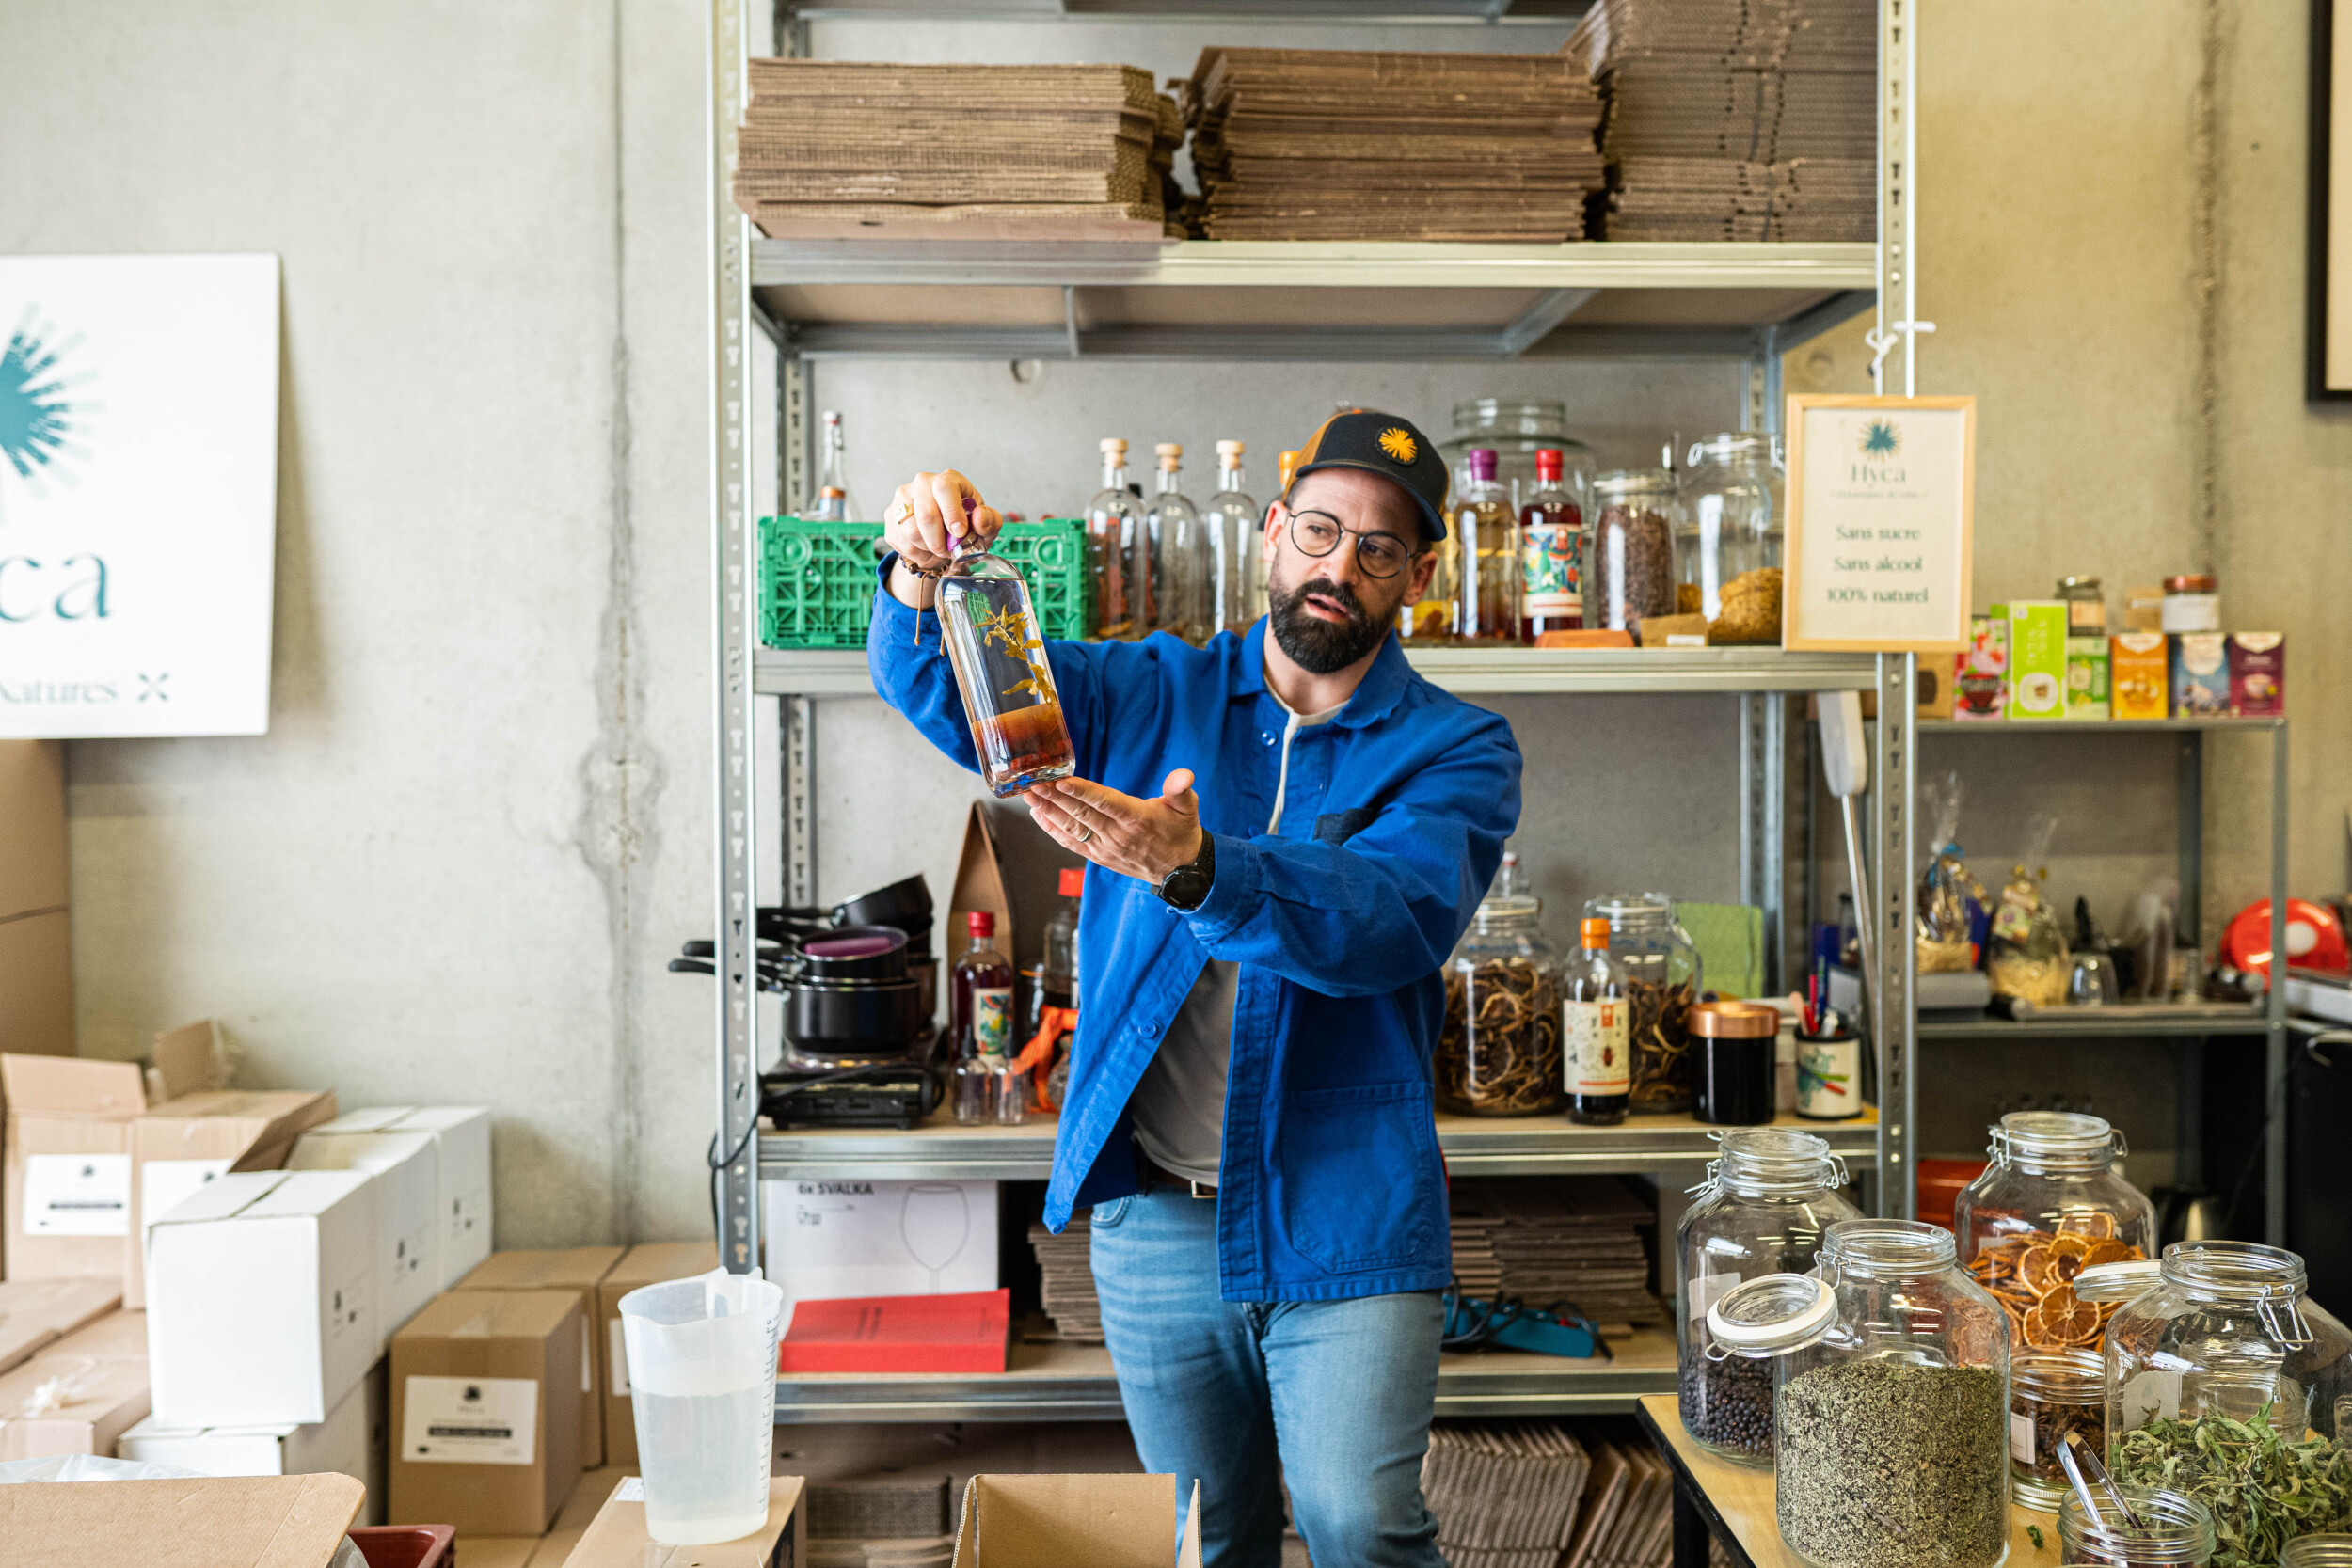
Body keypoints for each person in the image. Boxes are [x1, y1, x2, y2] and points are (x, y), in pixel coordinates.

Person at [868, 410, 1523, 1568]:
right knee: (1205, 1538)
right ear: (1273, 532)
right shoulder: (1141, 690)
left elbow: (1389, 916)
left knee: (1361, 1525)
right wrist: (923, 574)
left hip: (1346, 1213)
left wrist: (1201, 865)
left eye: (1378, 548)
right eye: (1319, 528)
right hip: (1158, 1212)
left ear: (1418, 576)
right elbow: (946, 686)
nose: (1339, 565)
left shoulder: (1457, 748)